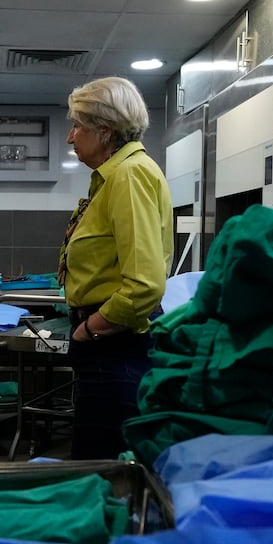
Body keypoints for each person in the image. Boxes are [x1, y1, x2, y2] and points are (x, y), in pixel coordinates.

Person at [57, 76, 172, 459]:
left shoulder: (129, 175)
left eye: (77, 126)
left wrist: (88, 331)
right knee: (99, 459)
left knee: (102, 468)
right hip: (108, 343)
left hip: (116, 345)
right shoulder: (111, 177)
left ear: (104, 132)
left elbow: (143, 285)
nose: (71, 138)